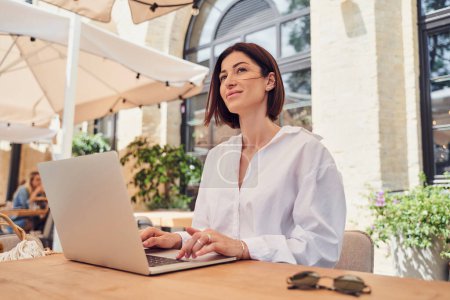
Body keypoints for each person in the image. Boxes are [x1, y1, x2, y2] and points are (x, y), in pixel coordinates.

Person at [141, 43, 346, 267]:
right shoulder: (217, 157)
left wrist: (244, 248)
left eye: (241, 70)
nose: (228, 81)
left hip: (276, 287)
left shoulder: (307, 151)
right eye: (223, 76)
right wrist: (177, 239)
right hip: (215, 281)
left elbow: (321, 246)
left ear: (269, 81)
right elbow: (208, 234)